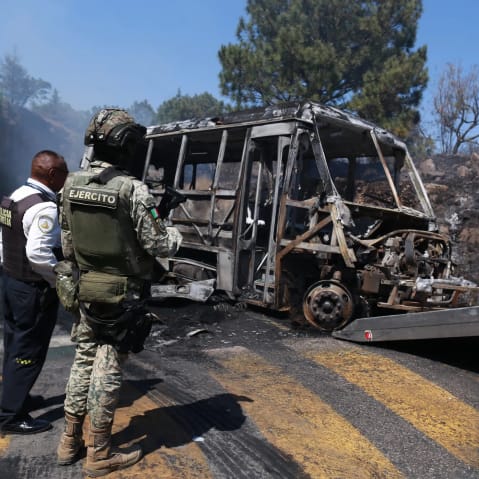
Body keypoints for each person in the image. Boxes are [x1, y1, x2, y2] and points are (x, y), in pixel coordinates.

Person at [56, 109, 182, 477]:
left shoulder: (70, 183)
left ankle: (69, 441)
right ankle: (99, 452)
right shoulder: (131, 188)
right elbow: (159, 243)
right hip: (121, 295)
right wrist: (170, 228)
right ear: (126, 145)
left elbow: (67, 244)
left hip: (84, 289)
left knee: (82, 360)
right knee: (107, 367)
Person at [0, 150, 69, 434]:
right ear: (52, 174)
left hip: (10, 282)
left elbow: (4, 241)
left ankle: (15, 397)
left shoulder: (14, 196)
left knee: (15, 343)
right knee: (29, 350)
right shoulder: (45, 207)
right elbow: (39, 253)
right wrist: (59, 280)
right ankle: (10, 416)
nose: (66, 179)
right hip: (31, 289)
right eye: (64, 173)